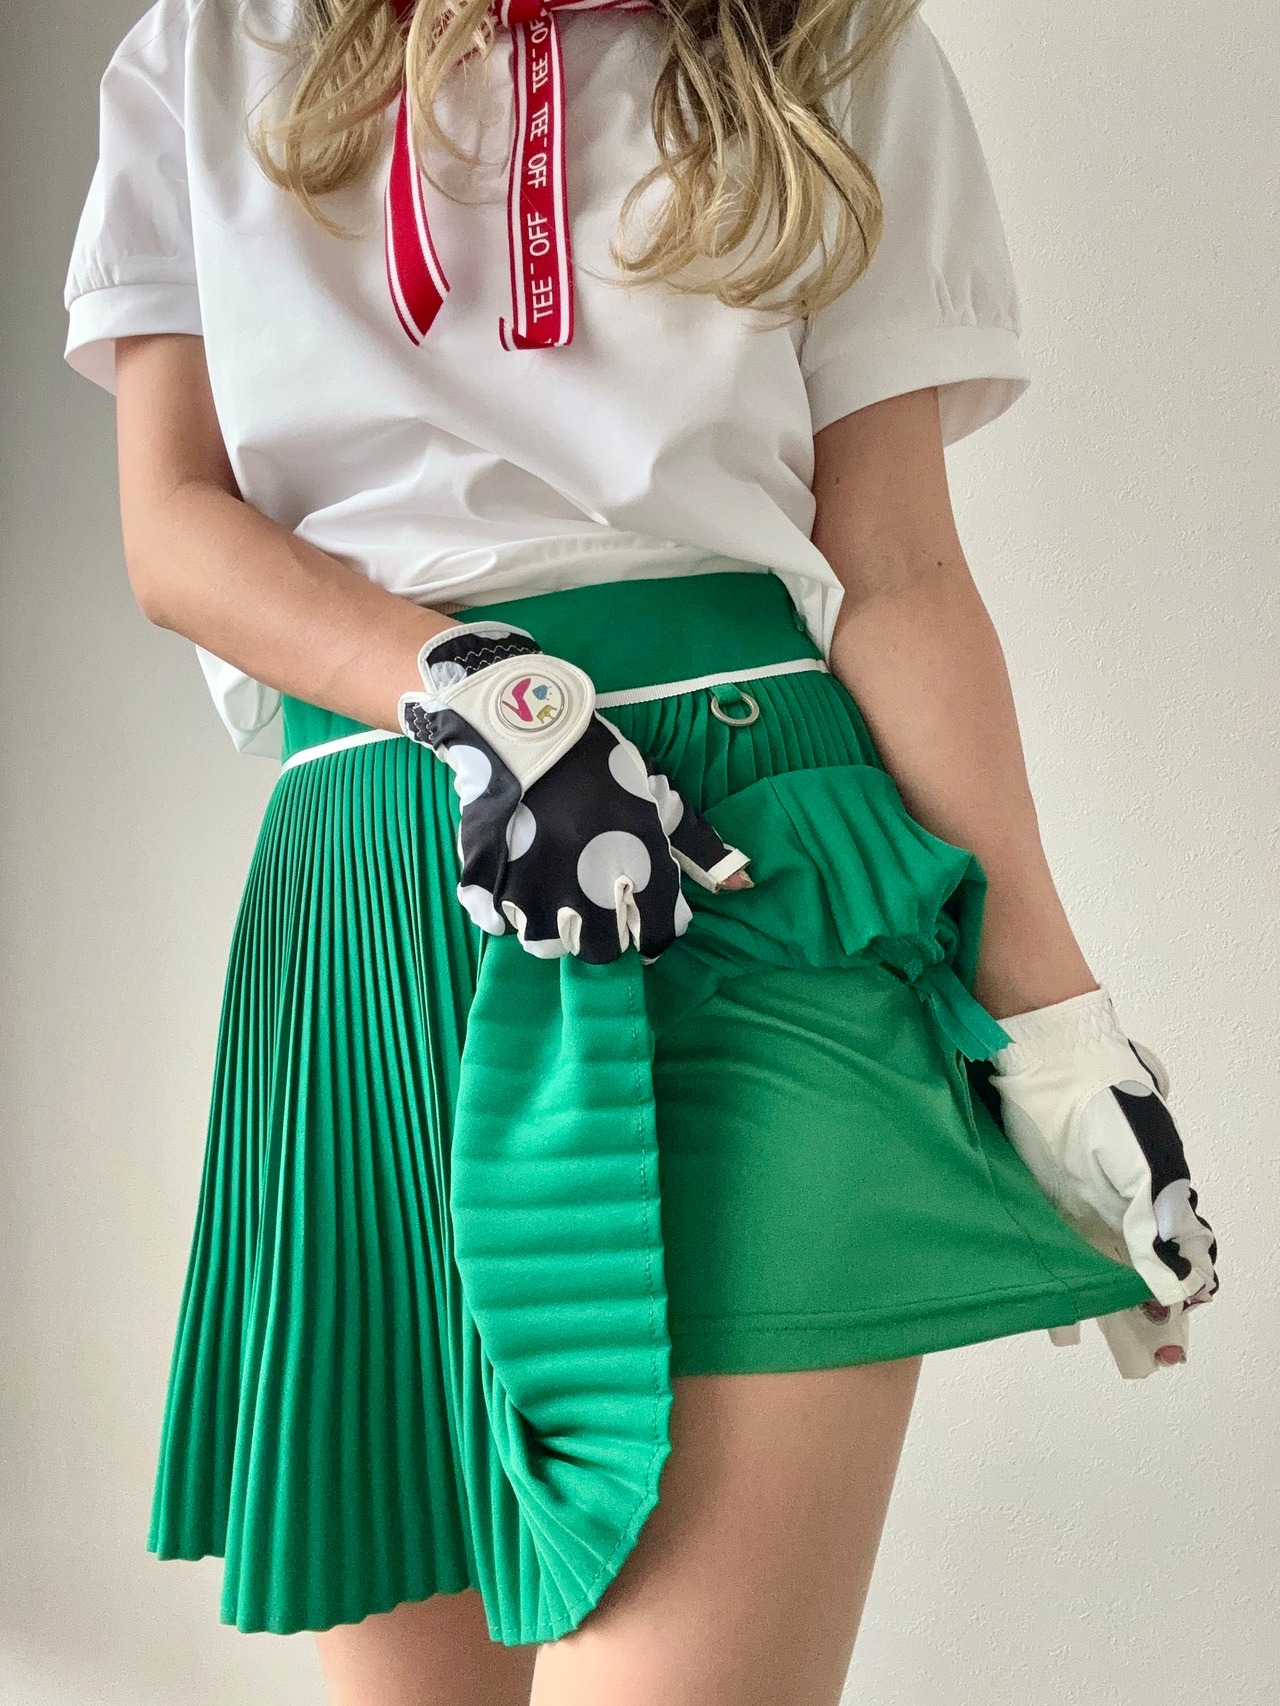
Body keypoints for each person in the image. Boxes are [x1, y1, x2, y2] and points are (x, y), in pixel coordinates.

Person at [62, 1, 1219, 1702]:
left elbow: (897, 566)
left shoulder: (835, 54)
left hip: (757, 858)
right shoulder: (211, 48)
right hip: (386, 886)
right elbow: (174, 524)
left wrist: (1059, 1030)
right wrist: (470, 693)